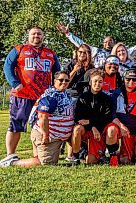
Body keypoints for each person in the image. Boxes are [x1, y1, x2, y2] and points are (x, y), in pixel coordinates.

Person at [2, 26, 61, 164]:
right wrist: (14, 82)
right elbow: (7, 66)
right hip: (22, 95)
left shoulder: (51, 53)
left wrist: (55, 89)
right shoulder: (19, 49)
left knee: (41, 126)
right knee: (16, 125)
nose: (36, 36)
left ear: (43, 36)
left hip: (43, 97)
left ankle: (37, 153)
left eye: (39, 34)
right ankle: (10, 154)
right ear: (28, 36)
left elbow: (57, 73)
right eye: (33, 33)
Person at [0, 71, 74, 167]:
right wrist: (45, 135)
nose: (64, 82)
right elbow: (43, 117)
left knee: (38, 158)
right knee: (44, 162)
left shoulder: (64, 94)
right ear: (55, 81)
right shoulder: (50, 96)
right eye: (61, 80)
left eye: (67, 80)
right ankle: (11, 162)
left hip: (57, 136)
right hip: (48, 136)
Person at [56, 22, 136, 68]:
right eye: (106, 42)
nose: (108, 43)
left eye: (110, 41)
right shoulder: (97, 51)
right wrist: (68, 34)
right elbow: (81, 44)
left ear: (114, 43)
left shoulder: (120, 52)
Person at [71, 70, 119, 165]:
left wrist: (90, 122)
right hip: (87, 130)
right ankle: (75, 157)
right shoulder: (82, 98)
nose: (97, 84)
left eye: (100, 82)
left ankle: (111, 156)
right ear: (90, 82)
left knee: (91, 161)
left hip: (100, 129)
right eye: (95, 81)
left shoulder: (107, 99)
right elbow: (78, 118)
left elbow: (106, 118)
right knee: (77, 129)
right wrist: (92, 126)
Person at [116, 69, 136, 164]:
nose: (131, 82)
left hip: (135, 126)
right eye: (128, 79)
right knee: (125, 160)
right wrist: (121, 126)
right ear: (124, 79)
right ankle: (113, 153)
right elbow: (112, 114)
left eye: (134, 80)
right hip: (119, 125)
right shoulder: (117, 93)